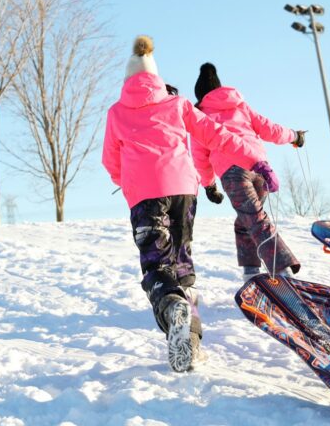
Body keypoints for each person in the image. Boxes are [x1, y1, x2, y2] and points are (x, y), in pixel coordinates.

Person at [102, 36, 264, 372]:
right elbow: (216, 134)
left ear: (128, 79)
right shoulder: (177, 104)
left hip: (146, 196)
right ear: (156, 77)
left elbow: (110, 160)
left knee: (158, 265)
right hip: (183, 191)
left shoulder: (116, 112)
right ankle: (190, 344)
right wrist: (256, 160)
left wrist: (125, 182)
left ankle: (171, 304)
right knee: (182, 264)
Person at [191, 62, 306, 282]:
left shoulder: (201, 117)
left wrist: (209, 186)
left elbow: (199, 156)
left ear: (201, 95)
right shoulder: (240, 106)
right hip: (258, 169)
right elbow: (270, 129)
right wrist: (294, 136)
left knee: (254, 220)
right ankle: (251, 271)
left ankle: (282, 270)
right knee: (247, 220)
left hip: (233, 173)